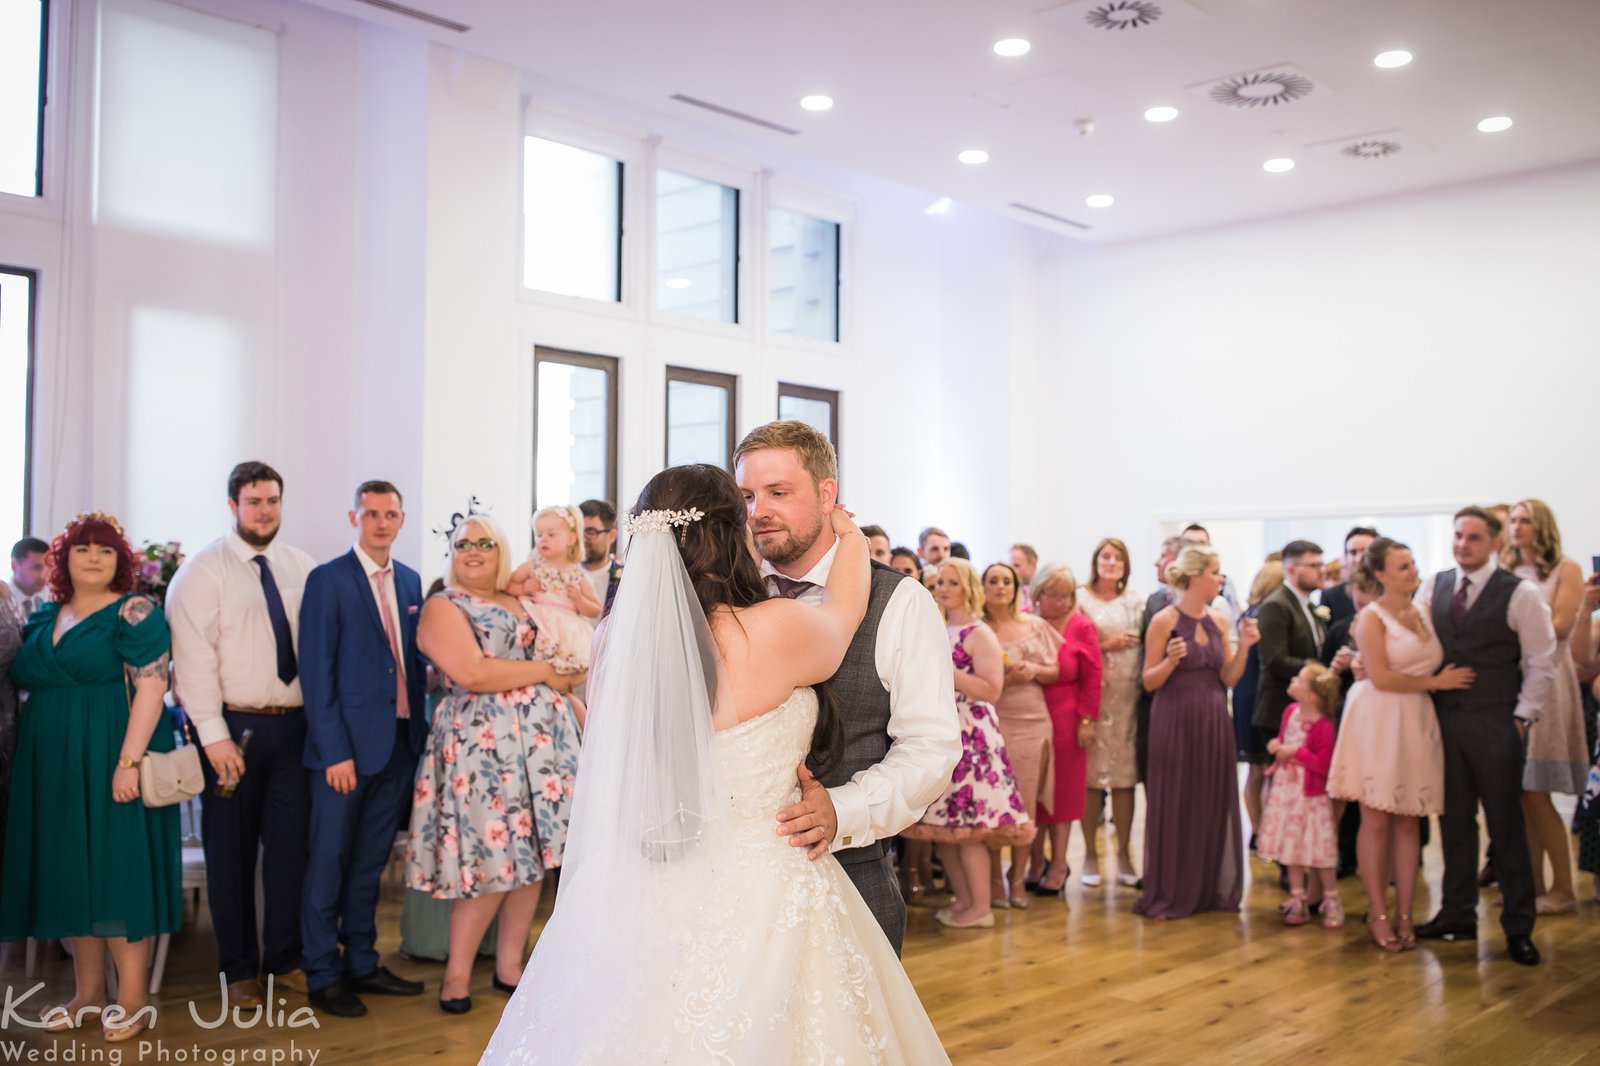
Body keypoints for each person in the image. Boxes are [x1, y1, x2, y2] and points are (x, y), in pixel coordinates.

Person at [478, 464, 951, 1062]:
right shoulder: (769, 630)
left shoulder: (614, 639)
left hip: (648, 879)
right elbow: (847, 611)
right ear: (733, 533)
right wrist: (850, 536)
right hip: (763, 884)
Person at [736, 422, 960, 954]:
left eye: (778, 492)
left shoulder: (900, 602)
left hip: (851, 880)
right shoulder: (728, 595)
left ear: (826, 493)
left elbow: (931, 747)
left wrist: (845, 809)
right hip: (737, 890)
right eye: (747, 496)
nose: (757, 511)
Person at [0, 513, 179, 1043]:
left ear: (120, 561)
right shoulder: (44, 614)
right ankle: (88, 994)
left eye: (105, 550)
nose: (94, 557)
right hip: (50, 758)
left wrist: (127, 762)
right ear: (65, 559)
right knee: (70, 872)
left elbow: (152, 689)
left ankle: (133, 998)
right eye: (83, 549)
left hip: (109, 750)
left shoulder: (135, 610)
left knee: (115, 870)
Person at [407, 513, 584, 1014]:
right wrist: (548, 672)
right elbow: (472, 672)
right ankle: (456, 977)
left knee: (529, 861)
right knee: (489, 861)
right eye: (464, 543)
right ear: (453, 552)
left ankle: (510, 968)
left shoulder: (519, 598)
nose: (474, 550)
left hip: (541, 748)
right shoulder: (444, 605)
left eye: (485, 542)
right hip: (481, 749)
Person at [165, 461, 317, 1006]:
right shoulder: (203, 572)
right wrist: (214, 735)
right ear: (233, 505)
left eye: (273, 501)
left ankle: (285, 959)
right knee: (230, 856)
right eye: (254, 502)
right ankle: (238, 971)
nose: (265, 511)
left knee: (289, 853)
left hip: (295, 730)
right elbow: (193, 661)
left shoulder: (302, 566)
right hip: (234, 732)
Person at [298, 481, 431, 1016]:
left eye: (390, 514)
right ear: (354, 517)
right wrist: (335, 753)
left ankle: (362, 961)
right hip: (344, 753)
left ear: (401, 520)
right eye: (371, 513)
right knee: (328, 862)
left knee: (370, 864)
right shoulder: (327, 580)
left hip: (398, 746)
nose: (381, 522)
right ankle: (322, 973)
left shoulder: (412, 581)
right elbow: (316, 672)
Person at [1414, 506, 1555, 967]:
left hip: (1497, 723)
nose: (1463, 544)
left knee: (1506, 828)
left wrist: (1521, 718)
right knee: (1453, 825)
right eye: (1458, 535)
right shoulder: (1434, 585)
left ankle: (1519, 927)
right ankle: (1456, 915)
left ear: (1496, 543)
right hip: (1444, 724)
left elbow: (1541, 661)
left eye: (1474, 537)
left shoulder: (1521, 593)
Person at [1327, 538, 1464, 951]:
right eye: (1402, 566)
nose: (1412, 571)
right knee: (1378, 818)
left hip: (1416, 719)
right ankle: (1377, 913)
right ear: (1382, 575)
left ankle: (1406, 912)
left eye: (1413, 563)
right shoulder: (1371, 618)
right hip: (1379, 717)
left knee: (1409, 818)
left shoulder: (1425, 611)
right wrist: (1436, 683)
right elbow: (1380, 677)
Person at [901, 559, 1034, 928]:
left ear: (967, 587)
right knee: (946, 829)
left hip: (972, 736)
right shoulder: (941, 629)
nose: (943, 588)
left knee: (971, 829)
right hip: (941, 730)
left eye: (951, 582)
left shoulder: (979, 633)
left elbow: (992, 689)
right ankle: (963, 901)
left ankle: (981, 906)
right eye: (939, 581)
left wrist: (949, 670)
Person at [1136, 544, 1256, 920]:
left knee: (1210, 800)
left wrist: (1247, 648)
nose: (1220, 579)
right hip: (1174, 718)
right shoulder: (1163, 621)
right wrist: (1171, 661)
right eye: (1215, 572)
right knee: (1176, 801)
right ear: (1195, 576)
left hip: (1214, 718)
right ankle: (1173, 889)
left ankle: (1206, 888)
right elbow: (1148, 682)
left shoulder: (1219, 621)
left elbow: (1228, 678)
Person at [1504, 499, 1589, 914]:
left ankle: (1564, 888)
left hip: (1550, 681)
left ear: (1542, 527)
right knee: (1520, 793)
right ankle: (1533, 884)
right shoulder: (1505, 571)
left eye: (1525, 521)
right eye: (1514, 520)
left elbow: (1560, 625)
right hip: (1511, 680)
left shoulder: (1564, 569)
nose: (1517, 527)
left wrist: (1515, 625)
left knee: (1537, 791)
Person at [982, 561, 1061, 907]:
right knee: (994, 804)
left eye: (1007, 581)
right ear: (982, 588)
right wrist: (1008, 679)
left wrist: (1036, 669)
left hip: (1033, 723)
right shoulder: (977, 628)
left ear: (1017, 588)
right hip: (993, 722)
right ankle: (993, 884)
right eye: (994, 581)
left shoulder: (1035, 625)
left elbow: (1057, 669)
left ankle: (1017, 880)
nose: (1001, 586)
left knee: (1024, 805)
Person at [1075, 537, 1142, 889]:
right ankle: (1089, 853)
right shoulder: (1081, 598)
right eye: (1106, 556)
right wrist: (1107, 645)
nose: (1112, 562)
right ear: (1095, 561)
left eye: (1118, 557)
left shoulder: (1136, 601)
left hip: (1127, 699)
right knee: (1092, 778)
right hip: (1093, 699)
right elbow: (1073, 645)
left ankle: (1126, 853)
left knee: (1123, 779)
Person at [1030, 563, 1101, 896]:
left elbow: (1093, 676)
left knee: (1062, 795)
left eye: (1066, 596)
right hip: (1029, 714)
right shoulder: (1027, 620)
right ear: (1038, 594)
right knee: (1032, 791)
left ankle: (1058, 863)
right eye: (1053, 595)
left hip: (1067, 716)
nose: (1060, 602)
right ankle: (1033, 860)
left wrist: (1087, 719)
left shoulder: (1082, 626)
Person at [1257, 664, 1342, 930]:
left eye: (1299, 680)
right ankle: (1297, 897)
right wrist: (1277, 746)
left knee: (1318, 848)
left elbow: (1323, 763)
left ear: (1312, 696)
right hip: (1287, 793)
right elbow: (1282, 739)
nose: (1292, 680)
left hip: (1310, 796)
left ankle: (1330, 898)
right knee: (1291, 847)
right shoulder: (1290, 712)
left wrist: (1295, 752)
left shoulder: (1323, 726)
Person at [1252, 541, 1329, 763]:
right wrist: (1319, 671)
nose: (1321, 571)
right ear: (1292, 569)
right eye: (1314, 565)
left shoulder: (1306, 604)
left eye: (1321, 565)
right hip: (1279, 706)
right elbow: (1275, 660)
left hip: (1303, 705)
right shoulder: (1276, 605)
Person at [511, 505, 601, 674]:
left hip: (566, 635)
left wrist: (579, 599)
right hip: (536, 626)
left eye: (551, 535)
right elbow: (506, 586)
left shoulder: (578, 576)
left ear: (571, 539)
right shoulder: (532, 567)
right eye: (538, 535)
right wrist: (523, 587)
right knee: (535, 669)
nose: (543, 539)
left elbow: (595, 610)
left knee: (563, 673)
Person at [1236, 558, 1283, 849]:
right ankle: (1260, 830)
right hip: (1257, 698)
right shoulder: (1264, 615)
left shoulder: (1251, 614)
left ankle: (1260, 831)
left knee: (1257, 770)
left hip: (1247, 696)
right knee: (1260, 770)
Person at [1318, 526, 1378, 626]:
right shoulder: (1331, 596)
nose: (1359, 558)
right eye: (1353, 552)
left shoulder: (1396, 590)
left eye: (1365, 551)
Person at [576, 499, 622, 616]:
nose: (582, 539)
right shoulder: (560, 573)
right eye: (578, 531)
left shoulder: (625, 578)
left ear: (611, 536)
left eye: (590, 532)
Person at [6, 537, 50, 620]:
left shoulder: (43, 604)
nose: (44, 575)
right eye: (37, 568)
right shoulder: (3, 603)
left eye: (47, 567)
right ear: (14, 566)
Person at [1011, 543, 1038, 613]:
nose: (1012, 570)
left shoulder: (1044, 589)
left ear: (1032, 565)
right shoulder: (1010, 590)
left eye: (1016, 565)